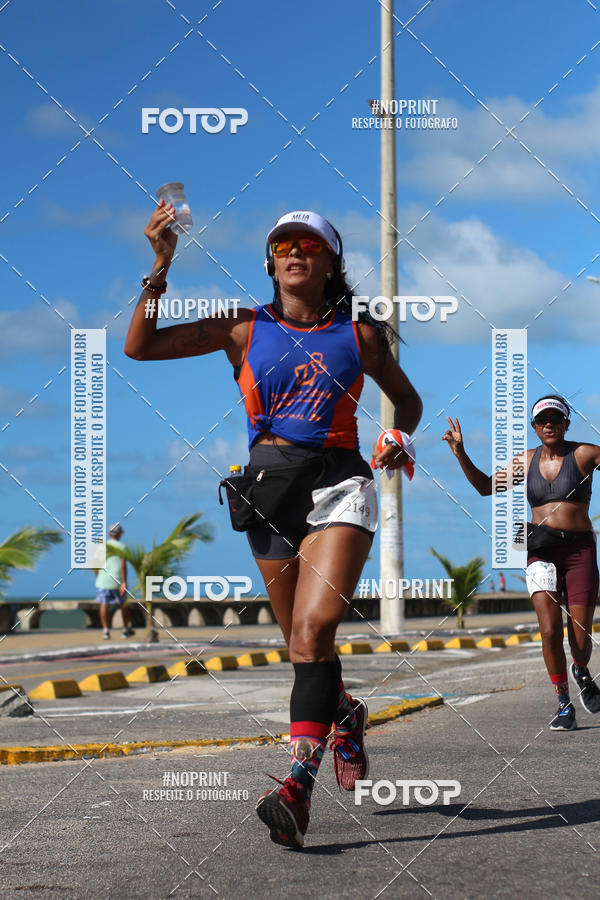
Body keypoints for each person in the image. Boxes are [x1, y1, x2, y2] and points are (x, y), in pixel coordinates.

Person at [125, 203, 422, 847]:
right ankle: (344, 712)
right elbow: (139, 348)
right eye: (284, 244)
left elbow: (407, 400)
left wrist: (397, 436)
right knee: (301, 648)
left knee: (314, 632)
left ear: (330, 263)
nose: (295, 253)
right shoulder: (241, 327)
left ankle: (297, 785)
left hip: (340, 484)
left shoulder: (360, 335)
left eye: (309, 246)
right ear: (270, 261)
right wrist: (160, 267)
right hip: (267, 492)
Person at [443, 395, 600, 731]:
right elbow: (485, 487)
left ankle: (581, 670)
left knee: (580, 639)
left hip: (580, 551)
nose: (549, 425)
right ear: (534, 427)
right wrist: (460, 454)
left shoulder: (585, 454)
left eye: (555, 419)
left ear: (566, 424)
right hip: (541, 550)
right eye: (542, 420)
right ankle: (563, 704)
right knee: (548, 630)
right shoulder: (525, 461)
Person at [94, 523, 134, 640]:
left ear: (108, 533)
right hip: (118, 580)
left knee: (104, 604)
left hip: (103, 580)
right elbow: (123, 566)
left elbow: (95, 564)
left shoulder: (101, 546)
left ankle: (106, 631)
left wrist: (98, 575)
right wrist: (124, 582)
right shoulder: (122, 547)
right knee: (123, 605)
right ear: (120, 534)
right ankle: (125, 630)